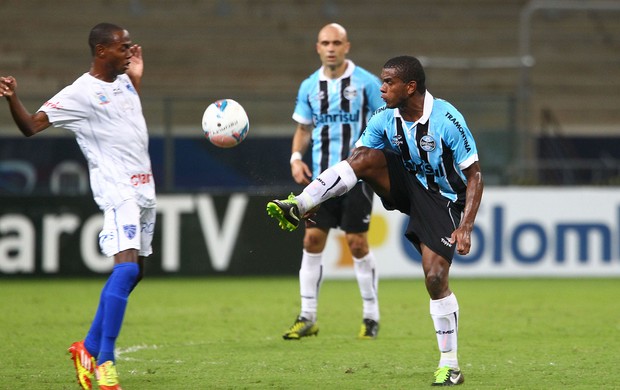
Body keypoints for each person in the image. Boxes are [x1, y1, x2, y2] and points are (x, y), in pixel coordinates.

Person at [267, 55, 483, 386]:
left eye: (388, 83)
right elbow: (355, 164)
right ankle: (301, 202)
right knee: (364, 157)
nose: (381, 89)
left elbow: (475, 176)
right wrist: (319, 199)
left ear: (410, 87)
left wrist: (465, 226)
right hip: (405, 184)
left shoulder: (447, 120)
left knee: (435, 277)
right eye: (381, 81)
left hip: (444, 201)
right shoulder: (384, 117)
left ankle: (450, 365)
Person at [0, 22, 156, 390]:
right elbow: (32, 126)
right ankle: (104, 361)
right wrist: (12, 99)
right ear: (102, 51)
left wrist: (135, 78)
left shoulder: (123, 81)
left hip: (145, 190)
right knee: (127, 269)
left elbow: (127, 121)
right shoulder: (80, 94)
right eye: (123, 47)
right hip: (118, 191)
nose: (129, 52)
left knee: (137, 273)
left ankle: (86, 347)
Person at [268, 23, 384, 340]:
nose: (330, 48)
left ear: (347, 46)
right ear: (317, 47)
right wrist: (295, 158)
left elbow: (386, 119)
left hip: (357, 177)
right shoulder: (309, 86)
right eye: (325, 43)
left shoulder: (367, 84)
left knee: (357, 243)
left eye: (336, 42)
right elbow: (303, 128)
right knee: (311, 241)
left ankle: (371, 316)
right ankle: (307, 316)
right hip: (320, 180)